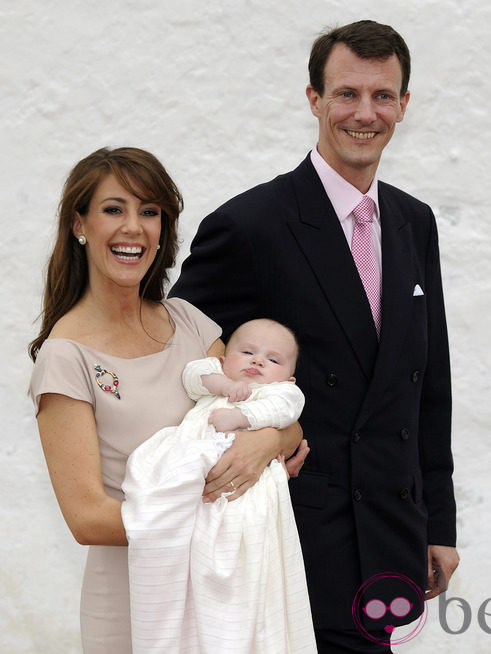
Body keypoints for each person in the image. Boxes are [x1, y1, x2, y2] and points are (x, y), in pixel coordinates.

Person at [170, 20, 459, 653]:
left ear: (404, 106)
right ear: (313, 99)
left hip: (390, 533)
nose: (365, 112)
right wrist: (261, 433)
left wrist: (438, 522)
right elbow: (180, 356)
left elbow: (425, 385)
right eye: (346, 93)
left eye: (383, 96)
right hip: (289, 535)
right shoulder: (249, 225)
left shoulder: (415, 222)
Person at [28, 147, 304, 653]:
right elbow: (87, 518)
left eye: (149, 211)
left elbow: (272, 406)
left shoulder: (190, 324)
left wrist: (277, 438)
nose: (134, 227)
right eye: (114, 209)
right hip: (134, 597)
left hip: (221, 594)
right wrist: (215, 507)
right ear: (79, 224)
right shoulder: (65, 358)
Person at [122, 319, 316, 653]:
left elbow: (285, 409)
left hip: (239, 485)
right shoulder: (216, 382)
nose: (258, 361)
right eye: (247, 351)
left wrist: (243, 417)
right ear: (225, 359)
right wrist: (224, 385)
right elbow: (192, 375)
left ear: (289, 376)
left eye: (273, 359)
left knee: (239, 544)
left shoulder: (279, 392)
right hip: (191, 464)